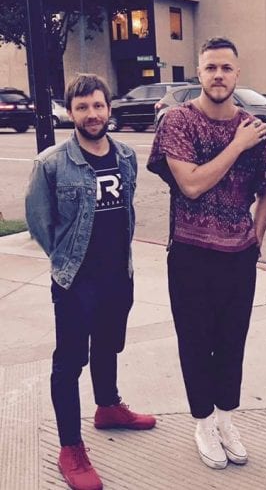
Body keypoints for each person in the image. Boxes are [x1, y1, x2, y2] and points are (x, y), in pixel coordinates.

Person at [147, 37, 266, 470]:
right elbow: (190, 184)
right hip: (190, 254)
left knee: (231, 342)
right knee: (195, 341)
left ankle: (226, 420)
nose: (218, 75)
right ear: (199, 73)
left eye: (226, 68)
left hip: (238, 257)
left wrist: (255, 238)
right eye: (210, 68)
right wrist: (236, 145)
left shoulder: (257, 130)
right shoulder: (178, 121)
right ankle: (203, 423)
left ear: (237, 73)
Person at [25, 74, 156, 490]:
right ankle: (71, 447)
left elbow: (126, 212)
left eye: (98, 105)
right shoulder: (51, 164)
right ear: (70, 112)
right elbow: (39, 222)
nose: (92, 114)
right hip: (76, 282)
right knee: (69, 363)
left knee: (108, 345)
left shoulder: (126, 156)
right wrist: (65, 261)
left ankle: (108, 406)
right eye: (82, 107)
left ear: (109, 108)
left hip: (118, 274)